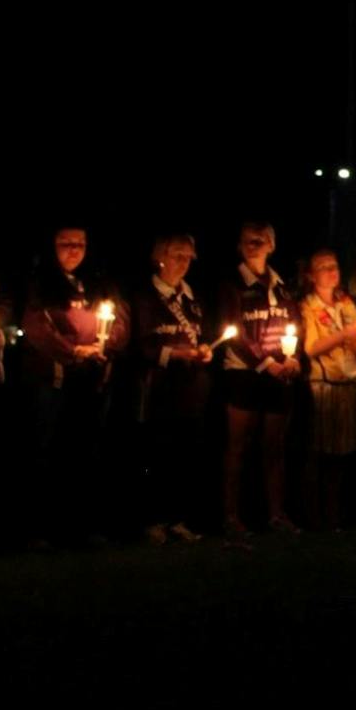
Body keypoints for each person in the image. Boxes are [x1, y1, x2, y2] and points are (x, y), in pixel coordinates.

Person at [21, 225, 130, 545]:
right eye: (65, 243)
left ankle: (82, 525)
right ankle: (41, 528)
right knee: (48, 450)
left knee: (87, 451)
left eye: (80, 244)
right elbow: (37, 327)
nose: (73, 250)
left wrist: (104, 345)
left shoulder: (99, 283)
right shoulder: (40, 284)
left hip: (93, 379)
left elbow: (120, 321)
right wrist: (72, 351)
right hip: (54, 380)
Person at [216, 222, 301, 537]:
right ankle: (230, 516)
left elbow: (294, 324)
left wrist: (294, 358)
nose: (255, 243)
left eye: (262, 239)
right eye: (248, 240)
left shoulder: (281, 285)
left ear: (272, 245)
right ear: (239, 246)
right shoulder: (232, 284)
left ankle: (276, 515)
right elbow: (235, 331)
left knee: (274, 447)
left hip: (278, 374)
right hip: (244, 374)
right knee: (237, 446)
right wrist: (266, 363)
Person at [130, 233, 212, 544]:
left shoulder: (193, 298)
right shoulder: (144, 296)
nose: (184, 263)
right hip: (157, 388)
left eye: (189, 257)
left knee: (186, 454)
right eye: (178, 255)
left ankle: (179, 518)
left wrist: (206, 350)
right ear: (161, 256)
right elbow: (140, 342)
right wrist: (172, 354)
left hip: (191, 388)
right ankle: (152, 519)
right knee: (157, 453)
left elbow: (205, 333)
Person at [301, 249, 356, 531]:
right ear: (311, 275)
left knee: (344, 452)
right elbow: (310, 347)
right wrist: (344, 335)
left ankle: (338, 511)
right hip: (325, 385)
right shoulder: (308, 305)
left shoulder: (347, 303)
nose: (332, 271)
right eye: (324, 267)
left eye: (335, 266)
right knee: (322, 452)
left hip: (350, 381)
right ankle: (316, 513)